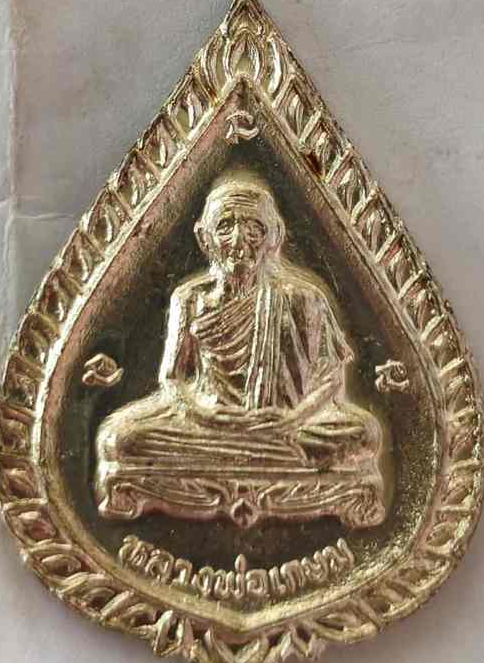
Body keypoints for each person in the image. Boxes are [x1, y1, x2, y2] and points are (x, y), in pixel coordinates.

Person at [94, 174, 385, 524]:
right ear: (204, 237)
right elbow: (172, 380)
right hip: (208, 422)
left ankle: (251, 453)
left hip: (285, 423)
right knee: (120, 438)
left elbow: (331, 379)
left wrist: (291, 419)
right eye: (225, 227)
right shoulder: (190, 298)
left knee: (363, 434)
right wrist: (206, 416)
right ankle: (264, 456)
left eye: (253, 228)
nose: (238, 241)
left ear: (274, 236)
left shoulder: (303, 298)